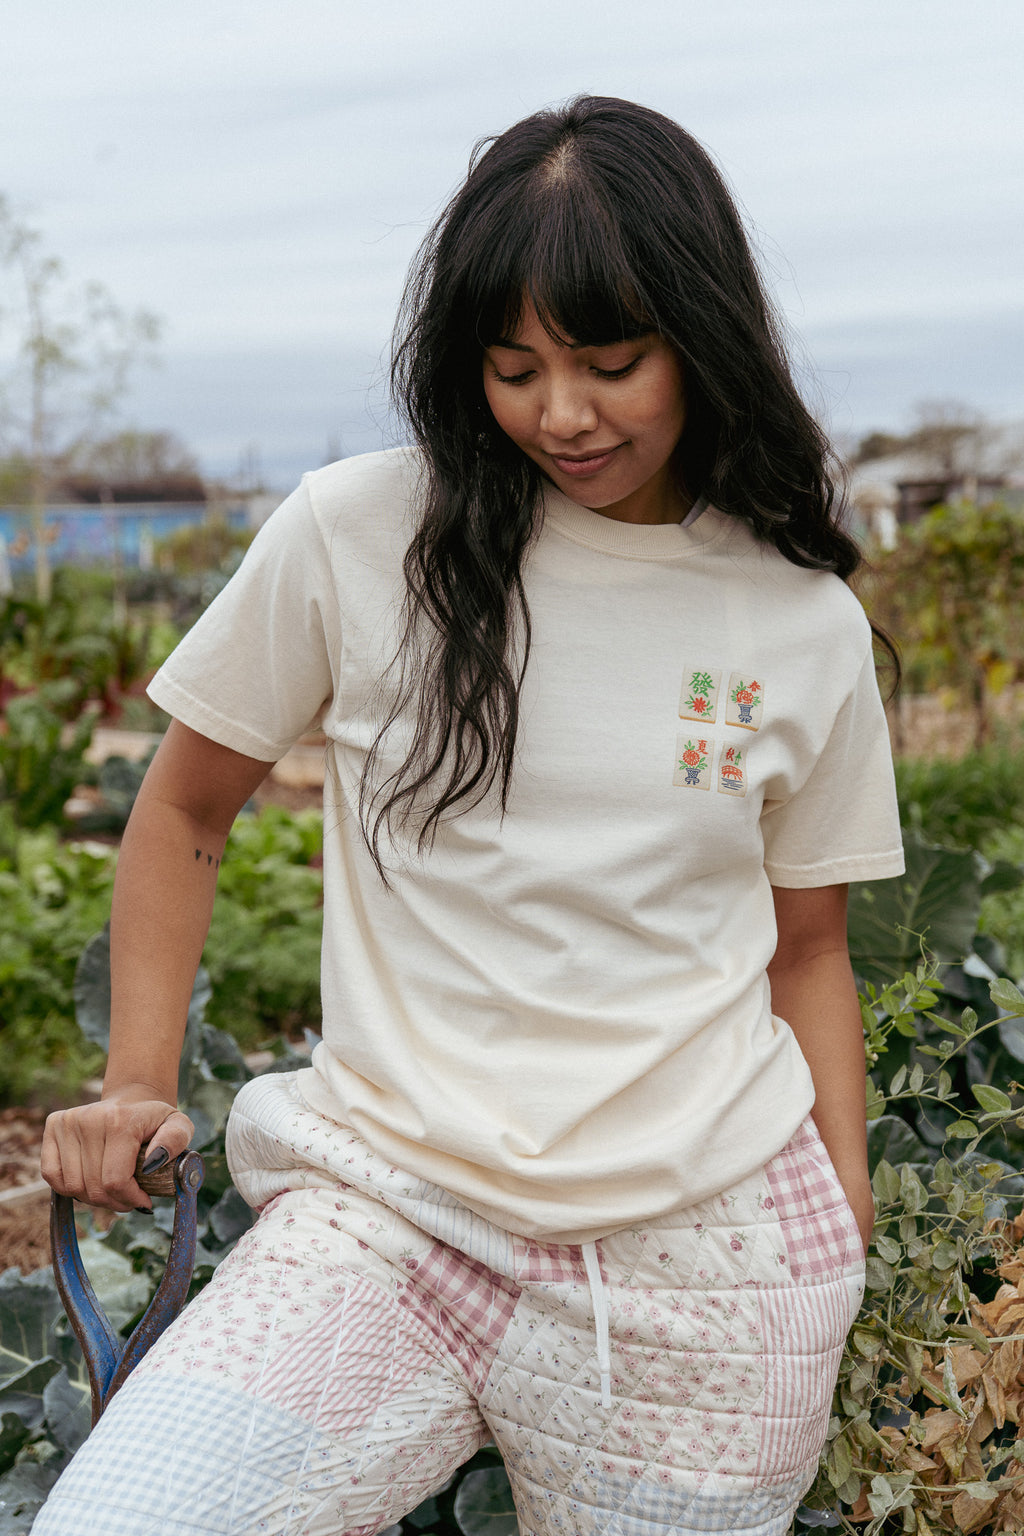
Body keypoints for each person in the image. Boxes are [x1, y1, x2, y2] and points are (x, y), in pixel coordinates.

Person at [37, 95, 904, 1536]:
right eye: (515, 369)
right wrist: (138, 1080)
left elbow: (807, 946)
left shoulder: (795, 618)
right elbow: (186, 803)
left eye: (610, 363)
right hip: (388, 1211)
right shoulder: (357, 534)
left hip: (707, 1267)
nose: (560, 415)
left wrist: (846, 1229)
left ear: (704, 340)